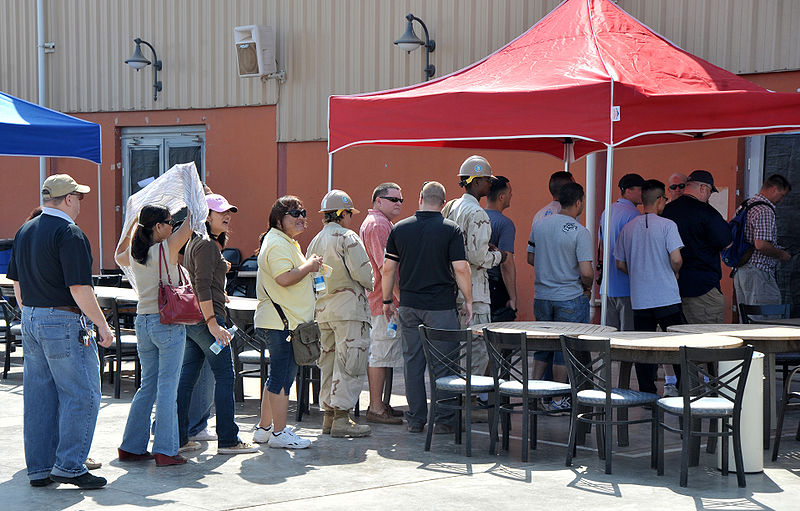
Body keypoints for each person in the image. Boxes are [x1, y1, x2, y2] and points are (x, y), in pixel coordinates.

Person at [7, 174, 114, 489]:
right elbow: (79, 287)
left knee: (40, 396)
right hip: (62, 319)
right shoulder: (69, 232)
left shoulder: (26, 229)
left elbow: (17, 284)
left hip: (31, 317)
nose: (80, 202)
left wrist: (32, 314)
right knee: (83, 394)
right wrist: (103, 325)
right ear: (68, 199)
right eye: (78, 197)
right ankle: (69, 466)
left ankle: (40, 469)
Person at [382, 181, 473, 434]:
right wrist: (469, 300)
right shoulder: (450, 229)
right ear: (444, 204)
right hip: (441, 307)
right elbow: (461, 268)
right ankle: (444, 420)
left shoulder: (400, 229)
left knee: (413, 363)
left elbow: (388, 268)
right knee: (444, 364)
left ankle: (415, 420)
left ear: (420, 198)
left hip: (409, 306)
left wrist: (387, 300)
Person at [177, 194, 257, 455]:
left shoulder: (196, 243)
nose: (227, 215)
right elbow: (200, 285)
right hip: (206, 321)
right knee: (225, 377)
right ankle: (228, 439)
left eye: (228, 211)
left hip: (194, 320)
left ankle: (179, 436)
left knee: (187, 379)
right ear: (205, 215)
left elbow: (203, 282)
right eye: (219, 211)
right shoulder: (206, 245)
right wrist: (213, 322)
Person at [115, 204, 194, 466]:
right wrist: (196, 194)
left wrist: (131, 224)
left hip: (143, 322)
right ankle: (166, 450)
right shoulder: (167, 248)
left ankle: (131, 446)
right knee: (167, 387)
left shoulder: (135, 255)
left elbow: (117, 255)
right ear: (158, 227)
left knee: (147, 385)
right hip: (167, 323)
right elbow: (191, 223)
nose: (173, 225)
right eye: (169, 222)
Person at [252, 196, 319, 449]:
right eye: (294, 213)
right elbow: (283, 278)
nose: (301, 217)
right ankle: (280, 433)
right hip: (282, 323)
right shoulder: (277, 243)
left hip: (284, 322)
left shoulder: (284, 241)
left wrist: (309, 266)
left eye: (303, 212)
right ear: (279, 220)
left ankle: (264, 428)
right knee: (282, 378)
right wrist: (309, 267)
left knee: (276, 377)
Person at [307, 190, 374, 438]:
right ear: (343, 213)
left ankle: (329, 417)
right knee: (350, 363)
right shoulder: (348, 237)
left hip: (323, 311)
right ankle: (342, 418)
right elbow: (364, 275)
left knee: (328, 363)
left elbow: (313, 279)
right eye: (349, 214)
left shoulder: (315, 241)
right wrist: (373, 282)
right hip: (349, 311)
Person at [615, 180, 684, 396]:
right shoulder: (667, 225)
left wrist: (638, 273)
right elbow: (676, 259)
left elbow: (620, 263)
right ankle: (682, 388)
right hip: (667, 296)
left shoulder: (628, 227)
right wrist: (674, 271)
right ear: (660, 200)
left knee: (643, 348)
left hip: (640, 298)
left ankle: (646, 391)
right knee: (678, 345)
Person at [529, 182, 593, 409]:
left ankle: (532, 395)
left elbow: (530, 257)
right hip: (569, 295)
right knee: (563, 350)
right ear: (578, 202)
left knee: (543, 346)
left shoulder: (540, 225)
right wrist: (588, 287)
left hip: (542, 295)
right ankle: (556, 399)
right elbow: (586, 272)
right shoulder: (580, 231)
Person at [443, 155, 503, 377]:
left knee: (459, 349)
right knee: (476, 350)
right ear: (476, 182)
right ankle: (473, 400)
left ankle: (460, 395)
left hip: (454, 289)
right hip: (475, 292)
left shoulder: (450, 207)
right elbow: (478, 257)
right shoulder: (478, 212)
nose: (490, 184)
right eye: (487, 180)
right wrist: (499, 257)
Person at [359, 183, 405, 425]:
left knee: (385, 353)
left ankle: (381, 404)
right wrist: (396, 297)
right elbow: (386, 266)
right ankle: (376, 407)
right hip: (381, 301)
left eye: (401, 199)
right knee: (380, 353)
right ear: (378, 200)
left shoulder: (381, 223)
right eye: (393, 199)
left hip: (380, 299)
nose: (398, 203)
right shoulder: (378, 225)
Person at [662, 170, 732, 324]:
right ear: (702, 188)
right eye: (709, 191)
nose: (709, 196)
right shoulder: (708, 213)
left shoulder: (665, 211)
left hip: (669, 289)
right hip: (702, 289)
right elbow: (727, 243)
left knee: (672, 342)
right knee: (705, 342)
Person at [733, 174, 792, 307]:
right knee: (763, 320)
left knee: (747, 319)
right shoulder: (765, 210)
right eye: (782, 195)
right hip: (758, 272)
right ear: (774, 189)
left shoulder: (745, 205)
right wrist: (781, 254)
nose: (781, 200)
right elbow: (761, 244)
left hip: (741, 269)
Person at [598, 173, 644, 332]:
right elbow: (636, 250)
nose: (643, 193)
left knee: (609, 338)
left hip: (607, 286)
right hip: (627, 285)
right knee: (627, 338)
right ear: (629, 190)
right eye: (641, 189)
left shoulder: (607, 211)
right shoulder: (634, 214)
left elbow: (602, 243)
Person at [484, 176, 517, 322]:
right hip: (495, 287)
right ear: (501, 197)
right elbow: (506, 263)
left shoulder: (476, 217)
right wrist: (513, 297)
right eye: (510, 192)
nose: (512, 195)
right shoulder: (505, 224)